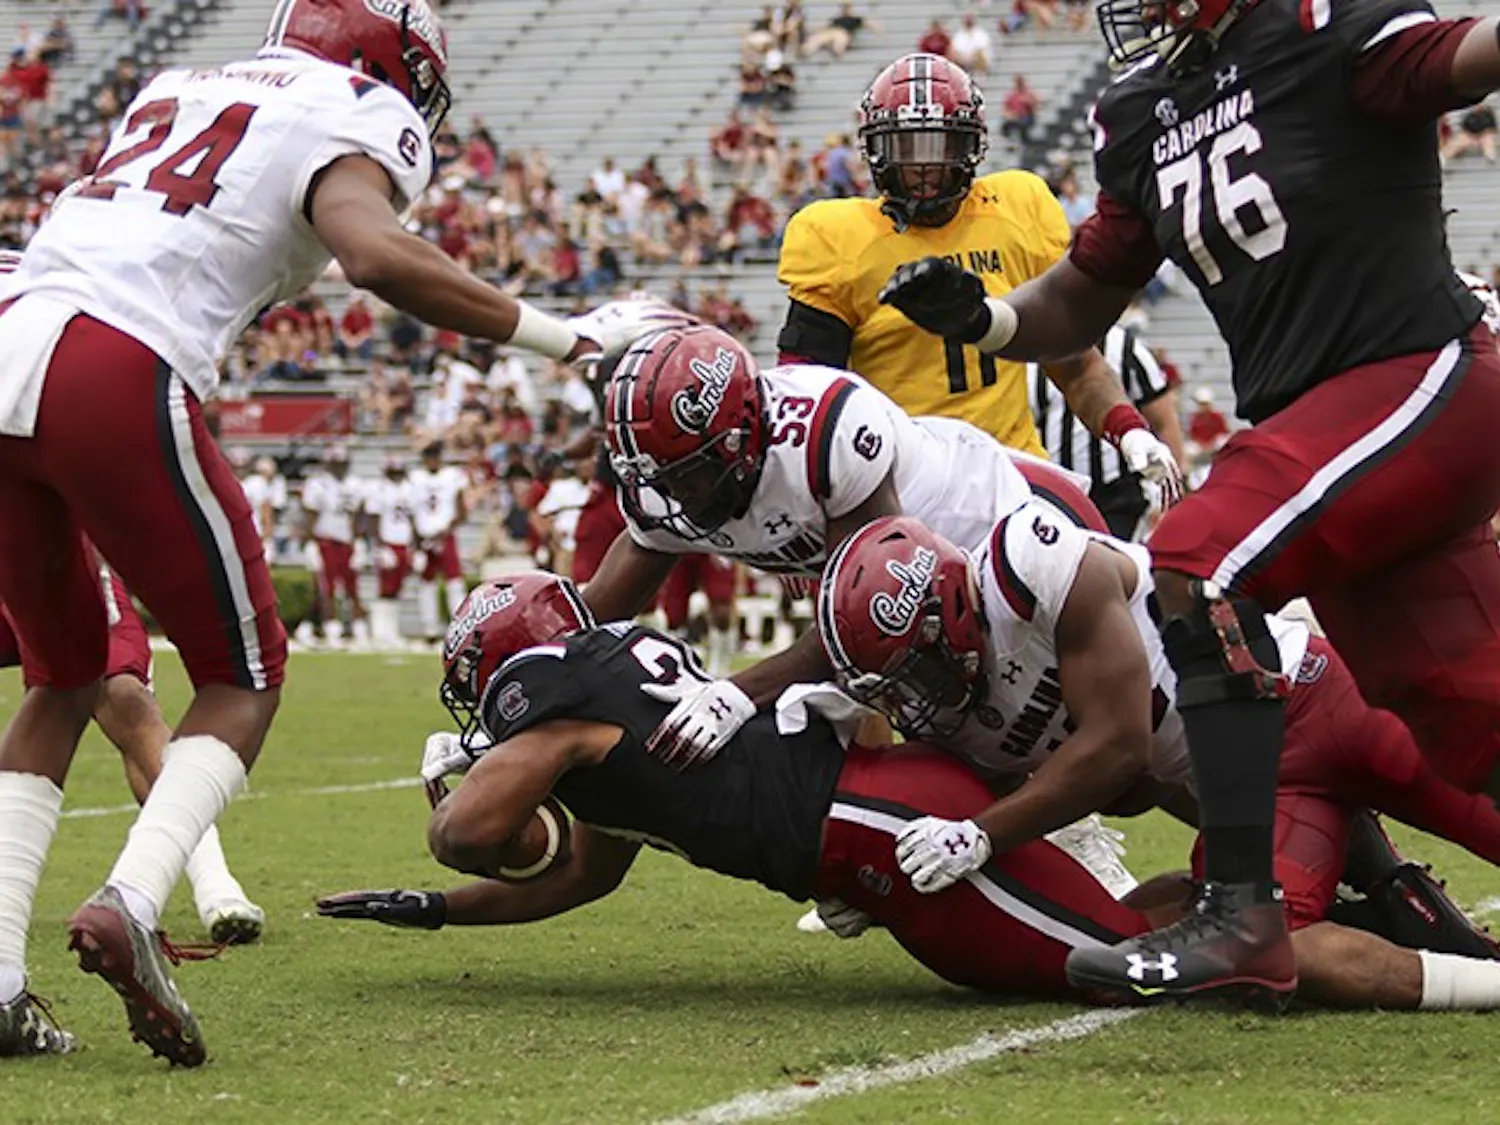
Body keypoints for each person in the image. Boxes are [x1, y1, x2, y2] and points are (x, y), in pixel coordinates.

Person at [0, 0, 683, 1064]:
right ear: (384, 60)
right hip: (111, 355)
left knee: (61, 673)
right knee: (245, 672)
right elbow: (373, 256)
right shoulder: (351, 103)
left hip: (12, 331)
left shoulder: (179, 84)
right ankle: (131, 900)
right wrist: (571, 340)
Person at [874, 0, 1500, 1002]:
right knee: (1471, 725)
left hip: (1417, 376)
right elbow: (1084, 292)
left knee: (1199, 555)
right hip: (1334, 432)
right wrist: (988, 319)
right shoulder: (1148, 108)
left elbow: (1462, 56)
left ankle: (1242, 914)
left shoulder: (1321, 29)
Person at [317, 574, 1500, 1013]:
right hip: (872, 817)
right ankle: (1358, 913)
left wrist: (461, 794)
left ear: (501, 676)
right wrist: (430, 910)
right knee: (1154, 938)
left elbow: (479, 830)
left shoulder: (551, 699)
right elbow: (579, 875)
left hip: (880, 832)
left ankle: (1465, 984)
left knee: (1205, 967)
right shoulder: (602, 703)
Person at [820, 512, 1500, 999]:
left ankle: (1391, 890)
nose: (916, 702)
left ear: (951, 610)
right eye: (896, 689)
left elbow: (1120, 747)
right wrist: (880, 886)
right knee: (1255, 946)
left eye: (918, 672)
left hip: (1313, 699)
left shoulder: (1028, 567)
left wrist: (980, 832)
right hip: (1264, 790)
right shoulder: (952, 720)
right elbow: (1136, 784)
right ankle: (1475, 971)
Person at [775, 54, 1182, 502]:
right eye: (908, 150)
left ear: (970, 148)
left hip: (1015, 478)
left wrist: (1129, 432)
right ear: (877, 151)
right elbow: (806, 395)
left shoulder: (1017, 209)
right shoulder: (837, 237)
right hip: (900, 490)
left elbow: (1076, 364)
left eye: (940, 149)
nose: (925, 171)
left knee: (1112, 566)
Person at [1029, 324, 1184, 540]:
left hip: (1116, 491)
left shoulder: (1127, 349)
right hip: (1054, 488)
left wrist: (1171, 495)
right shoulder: (1031, 344)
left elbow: (1164, 421)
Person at [300, 445, 370, 647]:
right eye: (336, 463)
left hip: (347, 541)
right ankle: (332, 629)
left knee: (352, 587)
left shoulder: (355, 485)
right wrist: (311, 542)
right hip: (325, 539)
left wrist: (359, 541)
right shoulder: (318, 484)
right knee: (327, 587)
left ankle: (358, 629)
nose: (339, 468)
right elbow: (310, 514)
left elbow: (360, 515)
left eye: (342, 464)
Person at [409, 439, 470, 645]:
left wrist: (445, 531)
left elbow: (462, 510)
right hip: (425, 537)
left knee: (454, 582)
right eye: (428, 457)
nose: (432, 461)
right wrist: (417, 540)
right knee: (427, 584)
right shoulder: (415, 478)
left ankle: (461, 628)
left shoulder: (453, 476)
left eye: (434, 457)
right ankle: (430, 629)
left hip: (445, 535)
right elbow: (411, 510)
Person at [366, 455, 416, 647]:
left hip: (404, 542)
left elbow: (412, 520)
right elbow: (373, 520)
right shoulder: (379, 490)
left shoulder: (409, 489)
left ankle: (391, 631)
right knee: (385, 588)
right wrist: (380, 546)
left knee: (397, 589)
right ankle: (380, 632)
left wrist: (414, 546)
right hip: (388, 542)